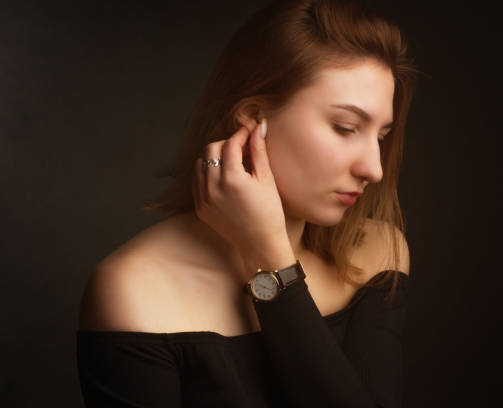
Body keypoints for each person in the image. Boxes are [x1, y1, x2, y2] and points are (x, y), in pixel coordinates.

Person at [77, 0, 419, 406]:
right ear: (254, 118)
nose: (374, 169)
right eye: (346, 128)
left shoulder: (377, 252)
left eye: (380, 135)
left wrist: (268, 258)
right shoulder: (132, 290)